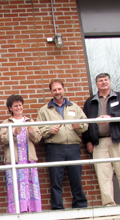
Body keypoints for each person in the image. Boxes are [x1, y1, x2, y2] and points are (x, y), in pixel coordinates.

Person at [83, 73, 120, 206]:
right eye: (101, 81)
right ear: (97, 84)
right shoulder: (90, 102)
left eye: (106, 80)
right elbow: (86, 122)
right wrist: (88, 140)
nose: (104, 82)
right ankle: (108, 204)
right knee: (103, 175)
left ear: (110, 82)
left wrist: (110, 116)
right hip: (99, 142)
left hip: (119, 140)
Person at [37, 80, 88, 210]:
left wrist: (79, 127)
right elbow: (39, 129)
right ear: (51, 92)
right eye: (54, 90)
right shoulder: (44, 110)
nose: (57, 92)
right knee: (55, 180)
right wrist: (50, 131)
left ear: (64, 89)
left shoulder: (74, 107)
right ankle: (57, 207)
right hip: (54, 148)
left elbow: (86, 124)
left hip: (73, 146)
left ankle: (80, 205)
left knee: (76, 177)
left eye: (59, 89)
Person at [0, 95, 42, 214]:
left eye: (20, 105)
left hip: (29, 160)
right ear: (10, 108)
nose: (19, 108)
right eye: (15, 106)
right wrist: (13, 133)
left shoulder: (30, 121)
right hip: (15, 161)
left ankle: (33, 210)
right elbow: (3, 139)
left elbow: (38, 138)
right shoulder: (6, 122)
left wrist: (32, 132)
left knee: (31, 185)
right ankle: (18, 212)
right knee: (15, 186)